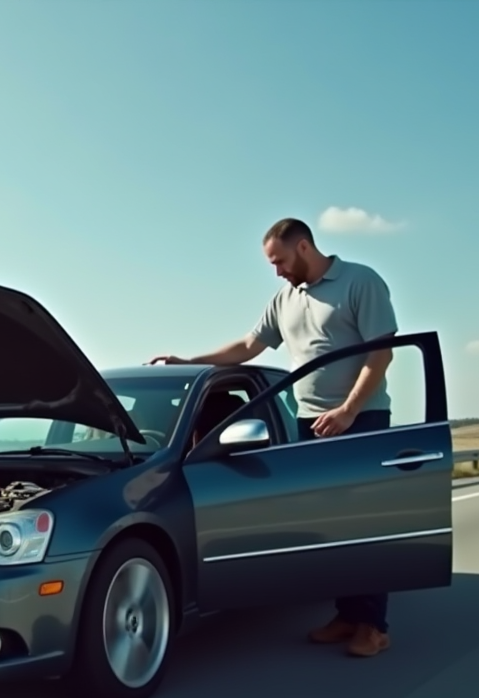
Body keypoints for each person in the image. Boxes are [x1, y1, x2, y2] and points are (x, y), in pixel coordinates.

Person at [148, 217, 399, 658]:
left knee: (361, 526)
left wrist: (348, 411)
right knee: (329, 528)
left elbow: (381, 353)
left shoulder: (361, 281)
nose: (277, 271)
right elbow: (248, 347)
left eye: (279, 261)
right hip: (309, 423)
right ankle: (347, 614)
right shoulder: (285, 299)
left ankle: (373, 626)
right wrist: (189, 362)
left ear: (303, 247)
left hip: (360, 419)